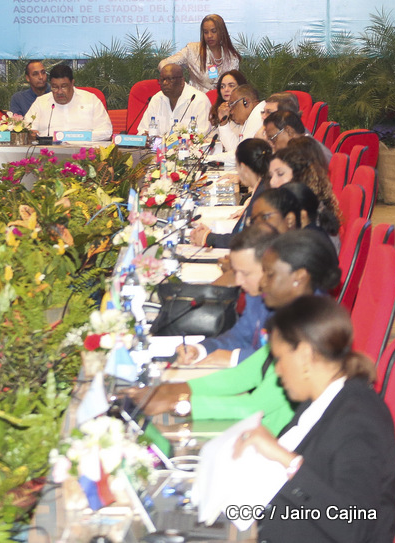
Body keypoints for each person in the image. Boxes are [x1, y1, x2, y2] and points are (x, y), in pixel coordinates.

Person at [141, 228, 342, 435]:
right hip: (257, 430)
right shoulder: (291, 318)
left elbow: (254, 408)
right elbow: (244, 374)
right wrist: (169, 390)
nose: (263, 282)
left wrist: (177, 403)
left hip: (276, 438)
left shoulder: (310, 330)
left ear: (299, 278)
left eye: (269, 274)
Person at [232, 297, 395, 543]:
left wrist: (286, 460)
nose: (277, 371)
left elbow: (356, 527)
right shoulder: (319, 401)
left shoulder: (359, 419)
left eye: (279, 359)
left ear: (304, 355)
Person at [174, 226, 278, 366]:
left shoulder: (294, 303)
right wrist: (200, 350)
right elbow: (239, 336)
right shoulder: (255, 295)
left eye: (245, 273)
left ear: (270, 268)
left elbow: (283, 358)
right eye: (235, 272)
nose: (238, 281)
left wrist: (235, 357)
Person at [190, 138, 272, 249]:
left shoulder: (263, 196)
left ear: (243, 167)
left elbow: (248, 241)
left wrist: (208, 237)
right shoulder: (263, 186)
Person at [270, 140, 342, 239]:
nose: (272, 182)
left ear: (300, 176)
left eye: (280, 174)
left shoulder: (311, 223)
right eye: (271, 175)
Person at [23, 63, 113, 139]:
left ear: (72, 83)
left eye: (64, 86)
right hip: (49, 152)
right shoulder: (41, 102)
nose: (59, 92)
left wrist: (73, 137)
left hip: (85, 150)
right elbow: (26, 130)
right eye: (55, 87)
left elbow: (106, 131)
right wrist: (31, 134)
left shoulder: (90, 99)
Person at [159, 14, 240, 93]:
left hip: (222, 100)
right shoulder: (192, 50)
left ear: (222, 32)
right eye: (205, 32)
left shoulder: (232, 57)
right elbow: (163, 64)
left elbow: (234, 86)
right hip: (196, 99)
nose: (209, 35)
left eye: (213, 31)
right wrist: (178, 82)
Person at [137, 63, 212, 135]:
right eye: (162, 80)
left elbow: (202, 135)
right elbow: (142, 130)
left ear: (182, 81)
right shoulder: (157, 99)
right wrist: (145, 136)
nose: (165, 83)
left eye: (170, 79)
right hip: (156, 144)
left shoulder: (199, 100)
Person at [262, 110, 333, 161]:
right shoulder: (303, 147)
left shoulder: (307, 155)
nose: (271, 144)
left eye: (272, 139)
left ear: (289, 131)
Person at [217, 83, 266, 153]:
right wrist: (223, 123)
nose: (230, 111)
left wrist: (208, 158)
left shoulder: (260, 116)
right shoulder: (252, 116)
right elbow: (235, 149)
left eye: (232, 104)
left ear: (246, 102)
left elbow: (241, 155)